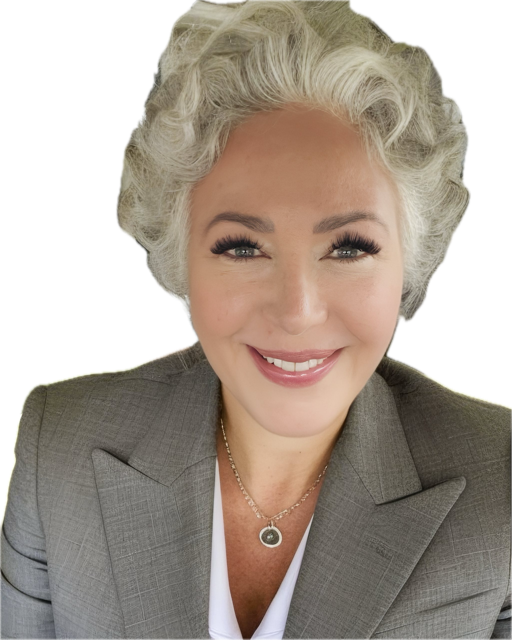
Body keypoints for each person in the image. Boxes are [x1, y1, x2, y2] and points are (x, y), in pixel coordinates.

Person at [1, 0, 510, 638]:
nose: (297, 311)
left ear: (412, 259)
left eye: (349, 247)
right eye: (242, 247)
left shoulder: (504, 480)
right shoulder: (61, 447)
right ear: (179, 256)